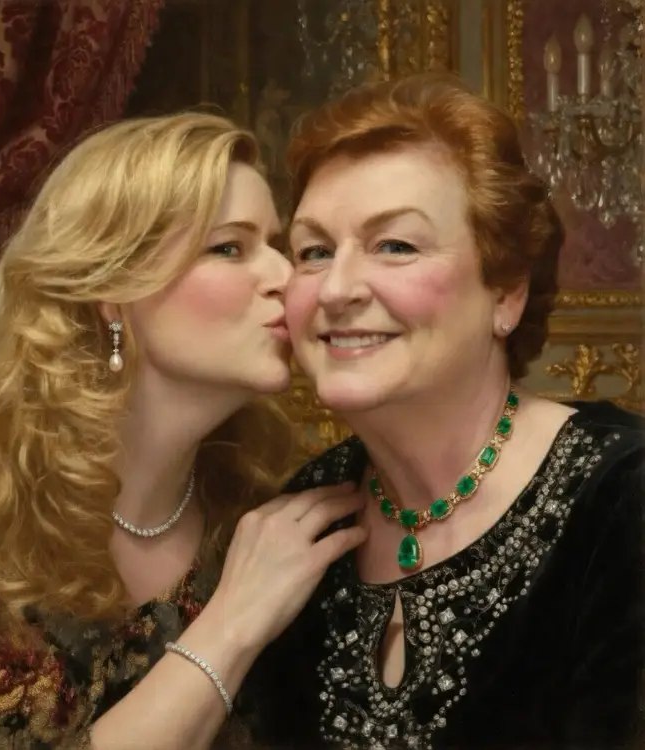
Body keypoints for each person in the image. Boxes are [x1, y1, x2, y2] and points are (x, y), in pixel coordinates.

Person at [0, 113, 367, 749]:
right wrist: (234, 621)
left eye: (279, 246)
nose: (286, 277)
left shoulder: (254, 514)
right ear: (114, 289)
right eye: (229, 248)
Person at [241, 73, 644, 750]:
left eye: (395, 245)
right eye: (314, 252)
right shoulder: (298, 521)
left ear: (506, 292)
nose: (337, 289)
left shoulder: (623, 497)